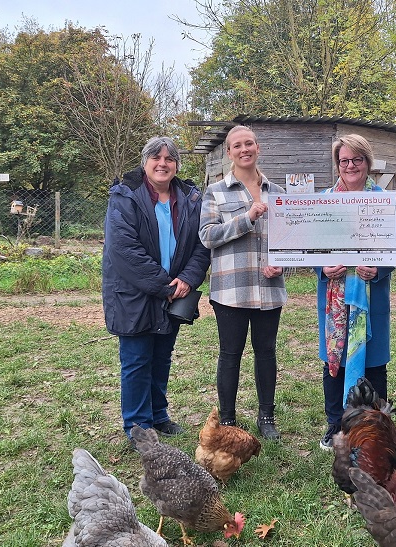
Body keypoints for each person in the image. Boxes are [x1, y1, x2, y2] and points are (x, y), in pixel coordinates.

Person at [102, 136, 210, 442]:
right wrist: (165, 285)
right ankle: (138, 427)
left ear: (176, 165)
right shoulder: (125, 197)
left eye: (169, 159)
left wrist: (187, 279)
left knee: (161, 357)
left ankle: (158, 415)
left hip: (174, 292)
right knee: (137, 361)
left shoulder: (190, 198)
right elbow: (124, 251)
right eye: (156, 157)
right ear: (145, 162)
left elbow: (202, 246)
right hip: (135, 295)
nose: (162, 164)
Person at [198, 125, 287, 440]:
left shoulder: (277, 192)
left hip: (269, 289)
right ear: (229, 152)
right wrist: (245, 218)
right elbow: (207, 236)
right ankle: (228, 420)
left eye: (249, 143)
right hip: (231, 289)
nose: (244, 149)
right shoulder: (215, 192)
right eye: (237, 145)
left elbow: (289, 241)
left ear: (257, 148)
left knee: (266, 352)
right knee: (230, 353)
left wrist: (282, 264)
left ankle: (266, 417)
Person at [315, 134, 394, 450]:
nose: (350, 166)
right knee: (334, 362)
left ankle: (375, 426)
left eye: (356, 160)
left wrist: (378, 270)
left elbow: (394, 248)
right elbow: (309, 249)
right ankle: (336, 425)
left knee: (373, 362)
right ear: (337, 164)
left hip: (370, 298)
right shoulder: (322, 200)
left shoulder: (384, 201)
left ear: (367, 163)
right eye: (343, 160)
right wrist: (323, 268)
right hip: (335, 298)